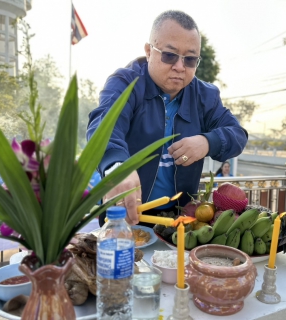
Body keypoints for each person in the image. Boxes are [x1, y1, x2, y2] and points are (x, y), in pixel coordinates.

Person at [87, 10, 248, 227]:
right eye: (169, 55)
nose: (180, 67)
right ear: (148, 51)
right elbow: (104, 128)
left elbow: (237, 134)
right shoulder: (125, 83)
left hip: (179, 219)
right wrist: (118, 169)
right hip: (126, 214)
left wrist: (207, 142)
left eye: (190, 59)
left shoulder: (204, 95)